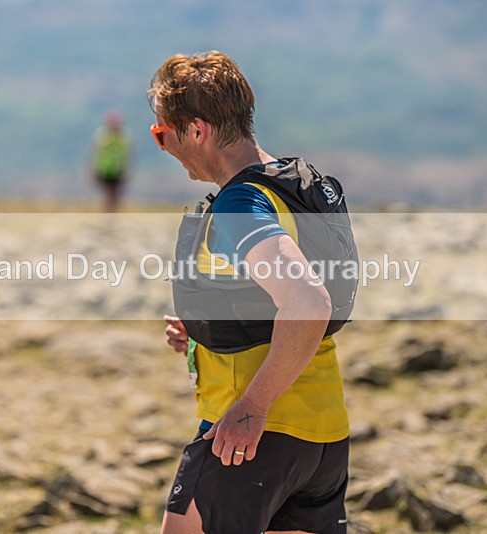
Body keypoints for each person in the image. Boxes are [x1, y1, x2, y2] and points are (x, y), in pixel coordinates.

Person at [148, 51, 357, 533]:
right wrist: (202, 329)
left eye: (163, 135)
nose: (164, 147)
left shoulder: (240, 201)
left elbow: (308, 301)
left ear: (196, 130)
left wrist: (253, 406)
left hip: (248, 436)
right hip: (322, 438)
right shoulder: (290, 187)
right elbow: (274, 297)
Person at [90, 109, 133, 212]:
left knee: (115, 193)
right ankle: (107, 212)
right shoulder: (102, 134)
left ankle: (113, 212)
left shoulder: (123, 135)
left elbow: (127, 153)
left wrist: (126, 167)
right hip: (104, 168)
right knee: (107, 192)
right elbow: (96, 152)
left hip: (117, 169)